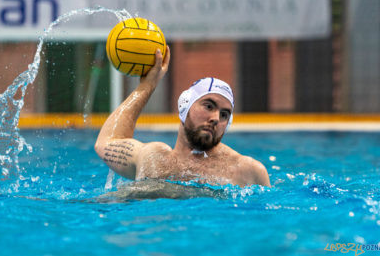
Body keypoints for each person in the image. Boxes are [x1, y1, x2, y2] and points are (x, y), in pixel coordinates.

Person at [95, 47, 271, 187]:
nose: (216, 118)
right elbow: (106, 143)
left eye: (224, 115)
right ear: (184, 105)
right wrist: (147, 85)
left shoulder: (247, 171)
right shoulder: (152, 159)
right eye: (209, 106)